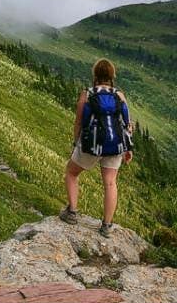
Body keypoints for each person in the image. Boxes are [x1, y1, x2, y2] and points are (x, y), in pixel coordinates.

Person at [59, 58, 133, 237]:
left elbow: (78, 123)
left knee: (71, 172)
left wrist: (77, 143)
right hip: (115, 145)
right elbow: (127, 124)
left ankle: (72, 212)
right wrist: (129, 148)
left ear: (95, 75)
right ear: (112, 76)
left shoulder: (88, 94)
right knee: (110, 182)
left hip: (92, 144)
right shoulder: (119, 95)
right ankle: (106, 226)